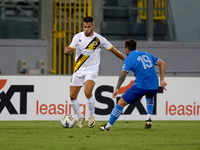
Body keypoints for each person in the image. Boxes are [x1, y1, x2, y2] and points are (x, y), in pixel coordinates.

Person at [64, 16, 125, 128]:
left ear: (93, 25)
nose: (86, 29)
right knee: (72, 95)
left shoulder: (99, 39)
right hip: (78, 70)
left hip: (91, 70)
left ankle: (91, 116)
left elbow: (114, 51)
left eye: (88, 27)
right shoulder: (77, 37)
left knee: (87, 92)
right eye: (84, 27)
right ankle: (80, 118)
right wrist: (67, 51)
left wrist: (127, 60)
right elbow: (70, 51)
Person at [99, 39, 167, 131]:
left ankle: (107, 127)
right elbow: (162, 63)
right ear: (136, 48)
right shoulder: (146, 54)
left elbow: (123, 74)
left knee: (120, 103)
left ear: (127, 50)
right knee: (150, 96)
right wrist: (162, 80)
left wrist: (117, 88)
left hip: (141, 86)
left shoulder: (129, 58)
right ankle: (148, 118)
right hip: (154, 85)